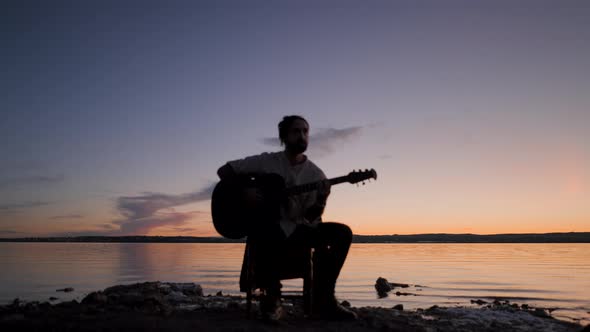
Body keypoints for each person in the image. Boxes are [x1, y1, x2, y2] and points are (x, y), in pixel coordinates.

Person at [217, 115, 357, 321]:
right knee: (264, 227)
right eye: (296, 131)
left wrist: (321, 199)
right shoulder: (267, 161)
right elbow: (225, 170)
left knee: (342, 233)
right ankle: (272, 298)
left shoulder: (316, 175)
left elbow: (311, 217)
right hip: (269, 230)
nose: (302, 136)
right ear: (284, 136)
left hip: (299, 229)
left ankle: (323, 298)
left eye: (305, 131)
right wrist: (246, 190)